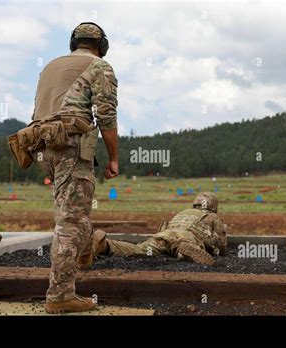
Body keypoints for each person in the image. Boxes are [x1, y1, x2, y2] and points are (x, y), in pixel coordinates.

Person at [31, 22, 119, 314]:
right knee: (70, 222)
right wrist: (114, 158)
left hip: (41, 146)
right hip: (70, 145)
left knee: (75, 212)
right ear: (101, 46)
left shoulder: (50, 67)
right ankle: (60, 295)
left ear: (74, 42)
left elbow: (38, 110)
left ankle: (84, 253)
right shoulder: (100, 66)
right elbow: (106, 115)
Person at [92, 192, 227, 265]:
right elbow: (221, 244)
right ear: (214, 206)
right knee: (194, 246)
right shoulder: (212, 216)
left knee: (138, 250)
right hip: (187, 238)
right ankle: (182, 253)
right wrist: (220, 252)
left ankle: (105, 245)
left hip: (164, 235)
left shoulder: (182, 212)